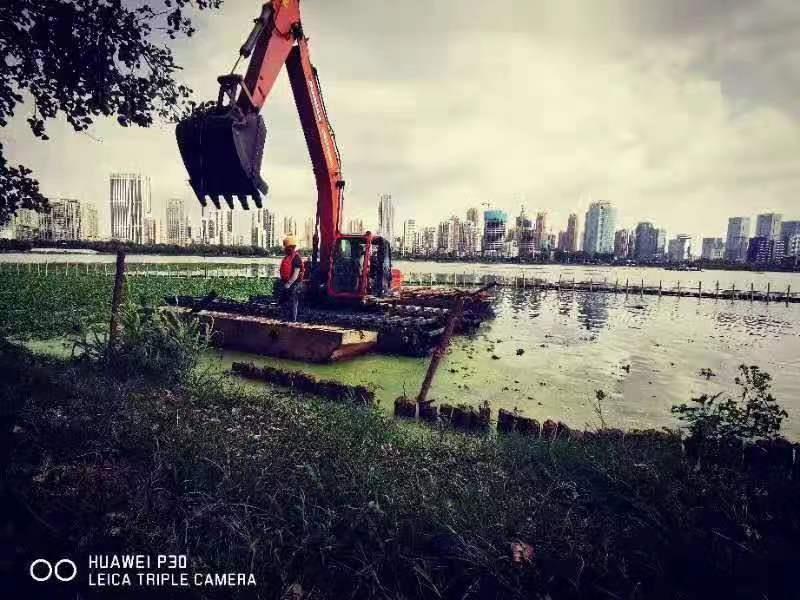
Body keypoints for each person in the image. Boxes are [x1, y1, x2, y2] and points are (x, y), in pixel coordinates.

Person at [278, 236, 303, 322]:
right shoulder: (286, 257)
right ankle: (284, 319)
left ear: (291, 247)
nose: (284, 249)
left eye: (286, 247)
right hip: (286, 283)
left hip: (294, 284)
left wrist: (288, 284)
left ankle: (292, 321)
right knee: (284, 301)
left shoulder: (296, 258)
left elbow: (295, 274)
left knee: (293, 302)